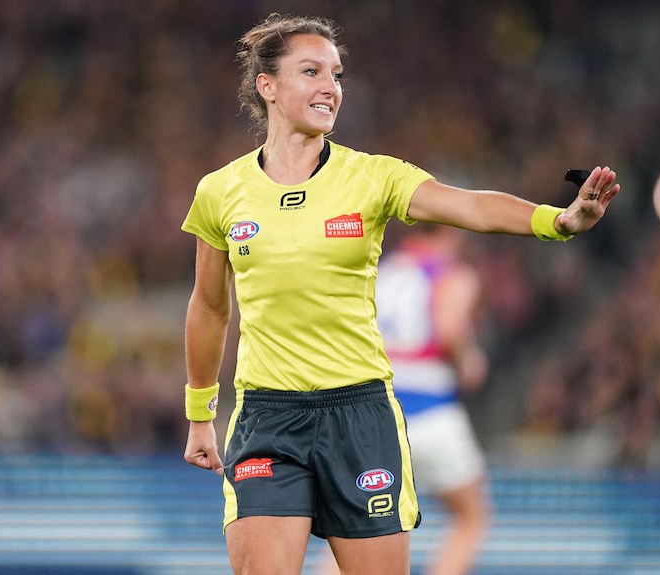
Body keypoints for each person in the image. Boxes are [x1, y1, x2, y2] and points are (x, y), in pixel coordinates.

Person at [181, 13, 620, 575]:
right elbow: (210, 306)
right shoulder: (220, 192)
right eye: (311, 72)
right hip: (268, 418)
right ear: (267, 86)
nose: (330, 88)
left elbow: (470, 205)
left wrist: (557, 220)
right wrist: (200, 414)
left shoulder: (373, 177)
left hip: (361, 414)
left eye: (336, 75)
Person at [321, 223, 491, 575]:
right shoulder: (451, 273)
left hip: (375, 410)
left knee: (353, 527)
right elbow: (448, 326)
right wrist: (469, 359)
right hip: (430, 408)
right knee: (471, 517)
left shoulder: (383, 272)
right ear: (452, 232)